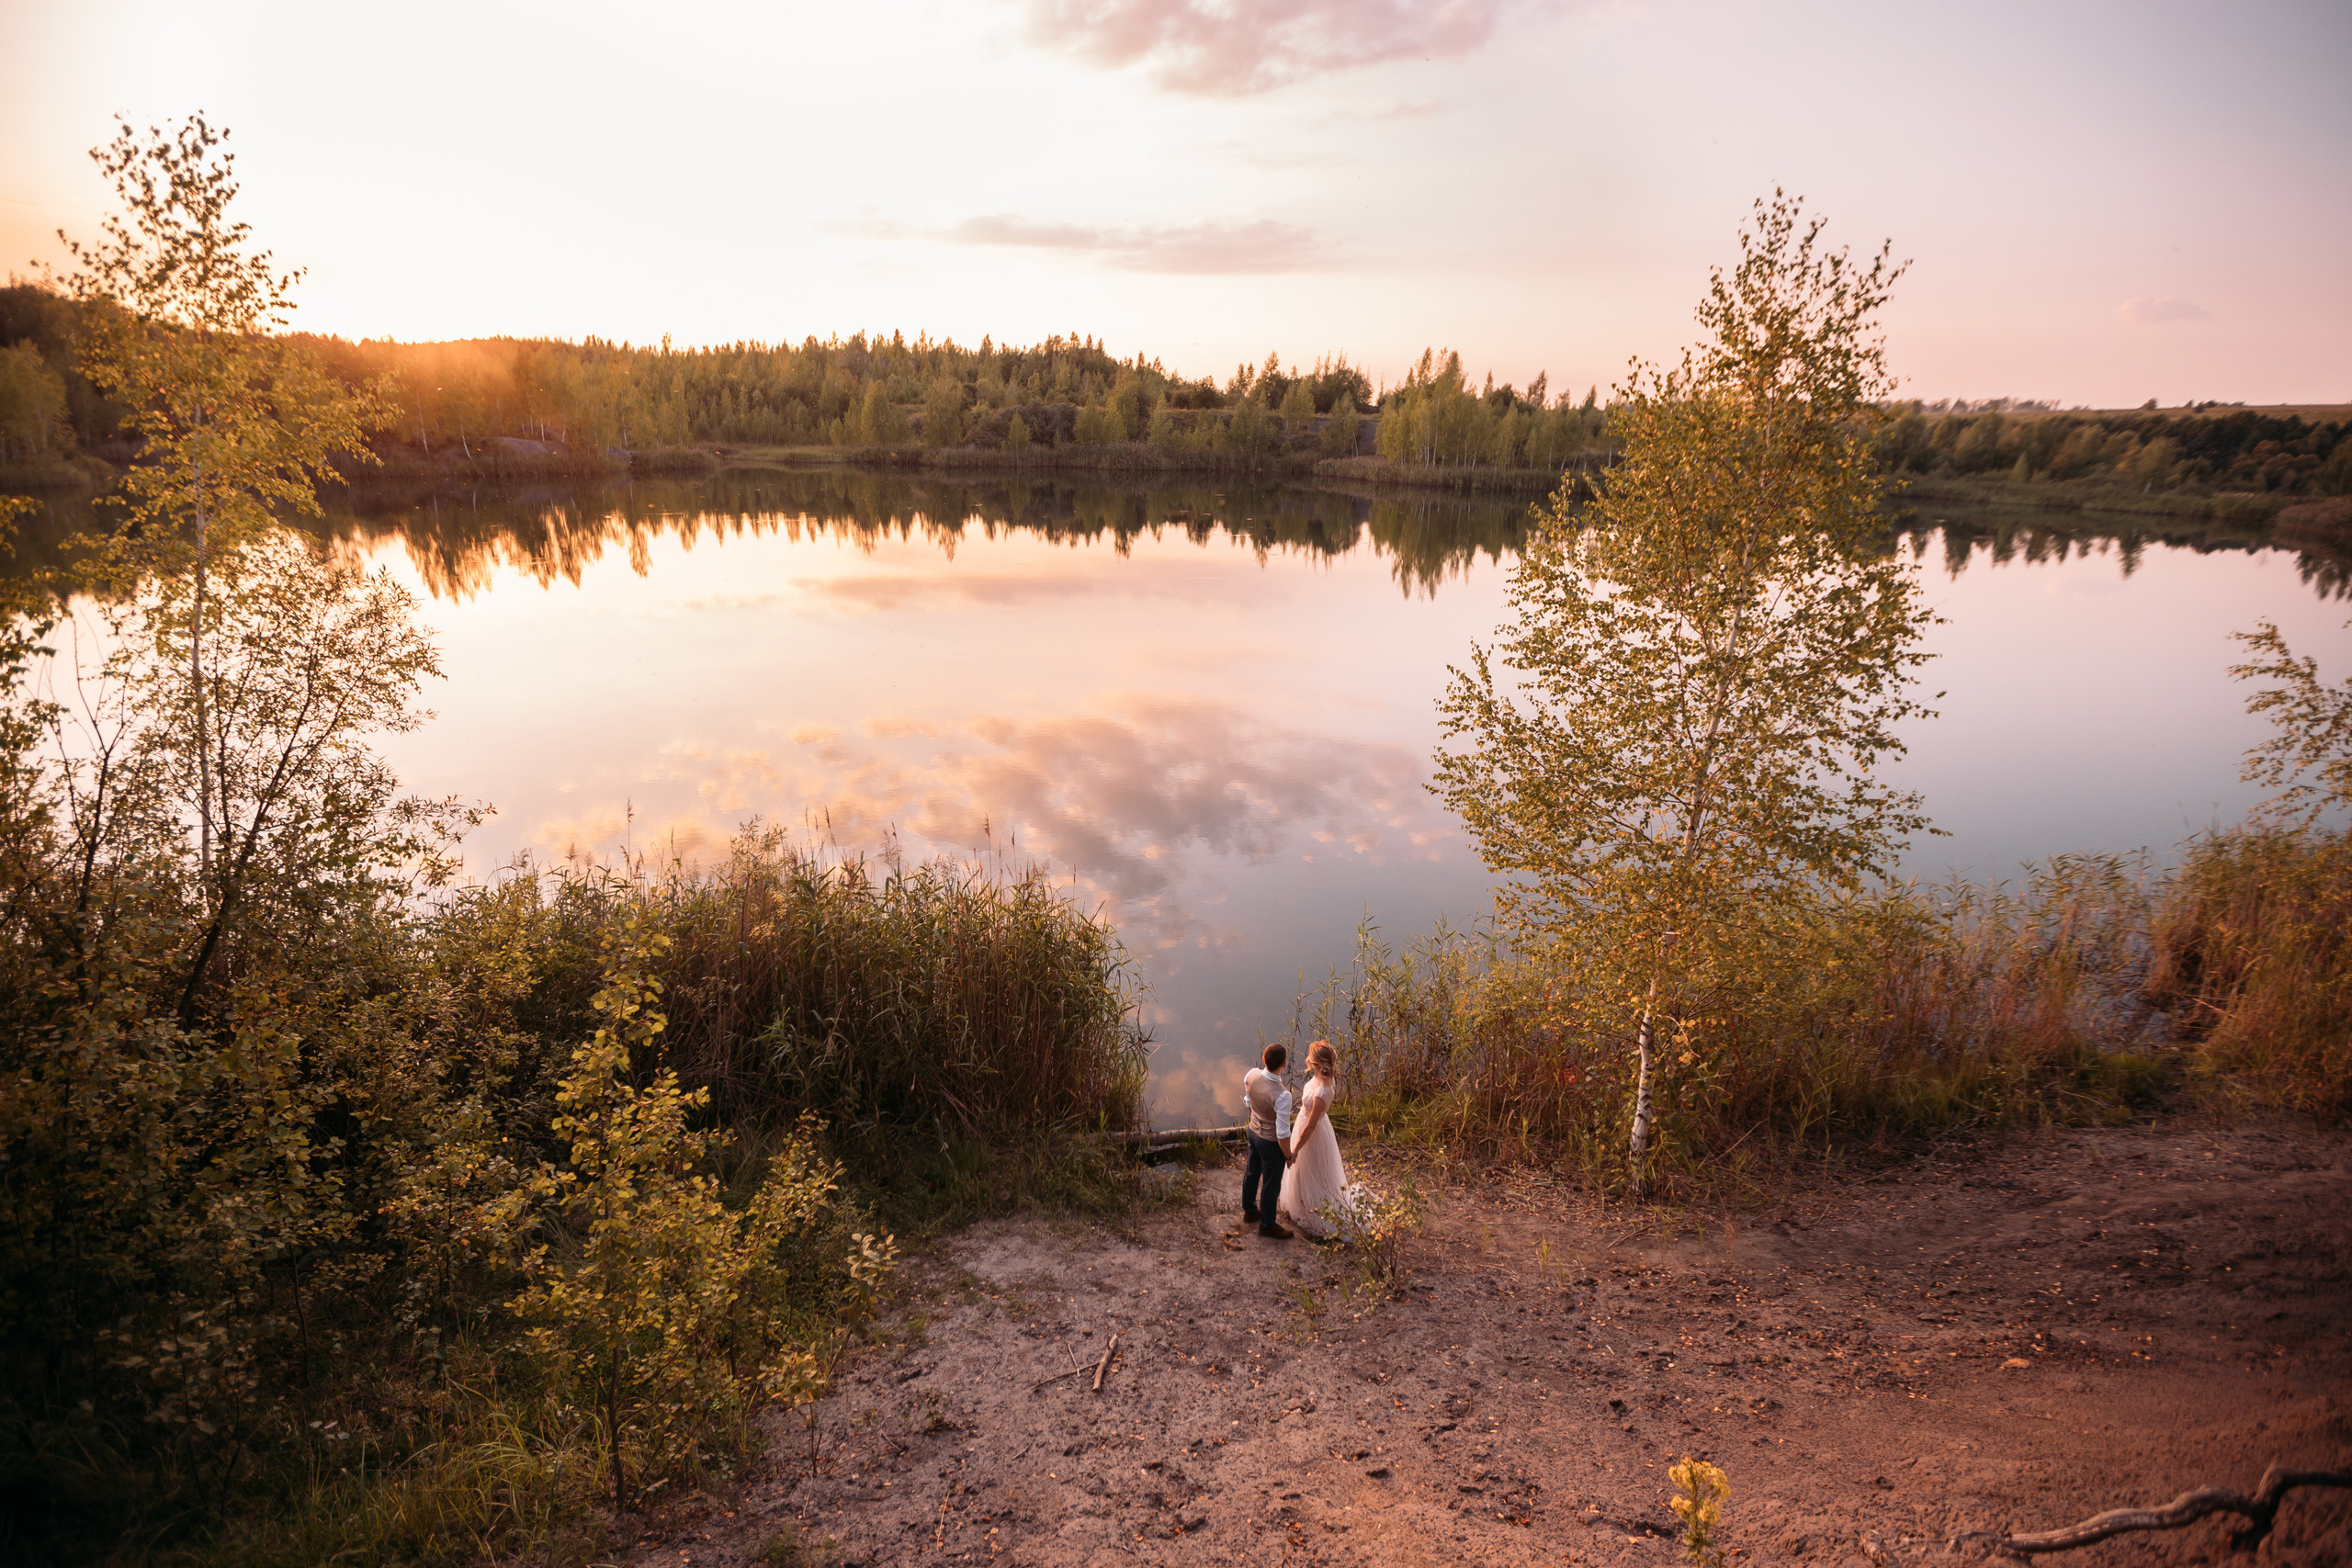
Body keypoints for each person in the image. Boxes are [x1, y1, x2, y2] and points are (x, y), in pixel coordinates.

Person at [1280, 1040, 1350, 1238]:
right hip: (1305, 1126)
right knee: (1304, 1170)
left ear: (1316, 1063)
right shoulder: (1322, 1077)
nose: (1308, 1060)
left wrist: (1296, 1149)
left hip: (1313, 1134)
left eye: (1311, 1058)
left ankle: (1314, 1211)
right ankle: (1302, 1203)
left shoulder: (1322, 1093)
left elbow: (1311, 1126)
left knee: (1311, 1169)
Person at [1240, 1044, 1294, 1240]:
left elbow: (1248, 1102)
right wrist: (1288, 1155)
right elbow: (1282, 1133)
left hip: (1253, 1132)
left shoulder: (1251, 1075)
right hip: (1270, 1143)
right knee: (1271, 1184)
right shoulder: (1283, 1095)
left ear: (1263, 1059)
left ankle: (1249, 1211)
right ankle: (1267, 1225)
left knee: (1252, 1172)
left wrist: (1257, 1120)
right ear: (1284, 1064)